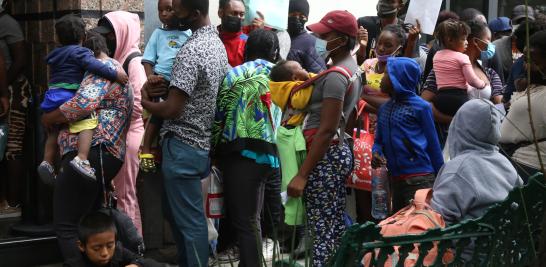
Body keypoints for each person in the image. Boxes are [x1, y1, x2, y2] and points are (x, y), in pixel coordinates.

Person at [141, 0, 228, 264]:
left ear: (195, 13)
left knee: (190, 224)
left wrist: (145, 100)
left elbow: (171, 109)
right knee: (183, 218)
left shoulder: (192, 50)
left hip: (183, 145)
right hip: (198, 145)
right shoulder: (216, 44)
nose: (172, 13)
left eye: (178, 8)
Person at [42, 32, 132, 266]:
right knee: (88, 223)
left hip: (92, 153)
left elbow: (84, 103)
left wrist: (49, 118)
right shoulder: (115, 68)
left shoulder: (101, 67)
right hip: (104, 155)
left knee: (66, 224)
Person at [286, 10, 363, 266]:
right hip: (336, 154)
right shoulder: (352, 70)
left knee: (320, 230)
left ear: (341, 39)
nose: (317, 39)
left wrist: (302, 174)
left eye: (324, 35)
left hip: (324, 158)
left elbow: (327, 129)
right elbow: (346, 121)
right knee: (332, 225)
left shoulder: (337, 76)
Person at [212, 29, 281, 267]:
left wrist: (213, 150)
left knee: (245, 220)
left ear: (247, 49)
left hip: (241, 154)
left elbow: (220, 116)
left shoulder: (236, 74)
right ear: (274, 52)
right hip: (269, 155)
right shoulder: (279, 75)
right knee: (253, 217)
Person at [37, 15, 128, 184]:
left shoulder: (54, 54)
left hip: (52, 95)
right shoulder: (83, 54)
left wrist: (48, 117)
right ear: (83, 38)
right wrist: (116, 75)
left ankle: (47, 161)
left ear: (56, 37)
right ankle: (82, 158)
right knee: (88, 120)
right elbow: (83, 102)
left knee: (53, 130)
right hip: (68, 95)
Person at [93, 11, 147, 234]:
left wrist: (107, 111)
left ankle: (132, 250)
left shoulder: (133, 62)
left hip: (129, 135)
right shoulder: (116, 60)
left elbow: (139, 105)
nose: (107, 41)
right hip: (118, 135)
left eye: (110, 36)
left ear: (123, 34)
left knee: (125, 196)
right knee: (120, 196)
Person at [431, 99, 523, 224]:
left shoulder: (457, 170)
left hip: (470, 242)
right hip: (505, 239)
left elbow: (436, 220)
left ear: (458, 126)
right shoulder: (504, 162)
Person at [371, 57, 443, 213]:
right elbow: (378, 141)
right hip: (395, 180)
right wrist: (376, 153)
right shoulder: (384, 109)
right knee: (400, 228)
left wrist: (441, 180)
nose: (382, 79)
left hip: (420, 179)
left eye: (386, 75)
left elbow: (433, 145)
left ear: (399, 78)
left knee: (418, 228)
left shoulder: (421, 107)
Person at [422, 20, 505, 147]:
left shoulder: (490, 74)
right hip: (448, 139)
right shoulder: (442, 71)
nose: (491, 45)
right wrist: (455, 121)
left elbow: (499, 106)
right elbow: (423, 103)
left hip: (481, 140)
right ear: (474, 41)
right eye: (488, 40)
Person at [140, 0, 191, 172]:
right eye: (160, 10)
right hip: (161, 81)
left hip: (181, 82)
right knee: (158, 114)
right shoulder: (158, 34)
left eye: (168, 9)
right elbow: (147, 60)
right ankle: (146, 149)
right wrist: (150, 78)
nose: (164, 14)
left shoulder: (189, 33)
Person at [500, 30, 546, 182]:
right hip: (515, 164)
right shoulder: (534, 87)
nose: (527, 67)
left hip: (530, 168)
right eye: (525, 60)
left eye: (535, 62)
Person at [0, 0, 30, 217]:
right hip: (5, 91)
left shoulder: (7, 23)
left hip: (13, 93)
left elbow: (19, 60)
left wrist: (3, 90)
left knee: (12, 150)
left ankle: (13, 203)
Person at [431, 19, 487, 116]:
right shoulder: (463, 57)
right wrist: (482, 84)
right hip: (458, 99)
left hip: (440, 99)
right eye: (463, 39)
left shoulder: (436, 56)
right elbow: (472, 80)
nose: (467, 42)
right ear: (450, 40)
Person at [77, 212, 144, 267]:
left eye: (109, 246)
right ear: (81, 246)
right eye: (96, 248)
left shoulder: (118, 251)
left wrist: (136, 265)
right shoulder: (74, 263)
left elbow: (143, 261)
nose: (105, 253)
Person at [217, 0, 265, 67]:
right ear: (220, 13)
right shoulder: (212, 36)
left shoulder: (245, 39)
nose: (239, 17)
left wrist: (259, 35)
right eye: (234, 13)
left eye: (242, 14)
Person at [356, 0, 405, 65]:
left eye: (390, 1)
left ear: (400, 6)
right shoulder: (363, 24)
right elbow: (358, 63)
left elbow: (406, 67)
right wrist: (362, 46)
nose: (383, 4)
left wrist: (411, 43)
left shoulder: (407, 31)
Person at [286, 0, 326, 73]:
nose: (297, 18)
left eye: (302, 16)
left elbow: (320, 76)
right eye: (293, 15)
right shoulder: (280, 36)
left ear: (306, 18)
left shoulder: (315, 42)